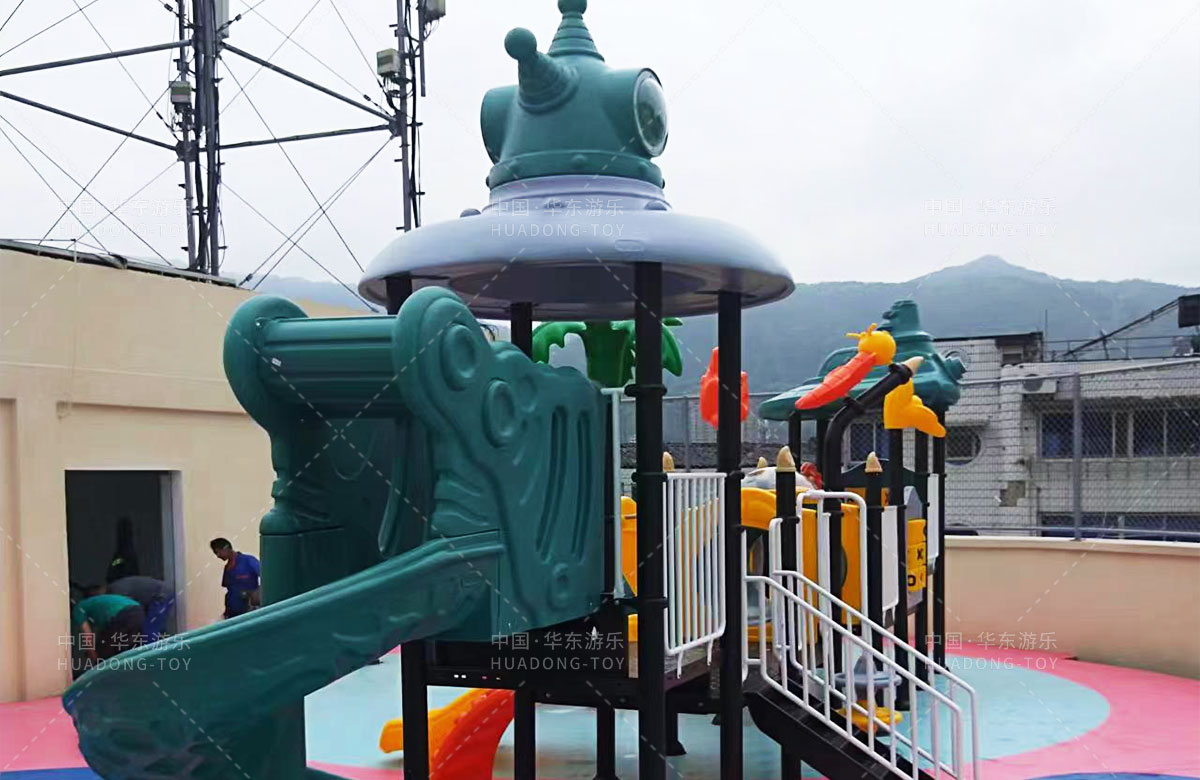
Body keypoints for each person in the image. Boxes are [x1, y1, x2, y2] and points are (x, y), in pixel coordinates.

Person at [72, 588, 145, 663]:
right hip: (138, 612)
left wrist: (92, 653)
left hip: (123, 614)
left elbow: (87, 635)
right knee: (126, 649)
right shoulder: (100, 603)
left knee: (103, 653)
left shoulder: (79, 607)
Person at [107, 575, 174, 642]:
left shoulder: (116, 592)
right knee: (155, 627)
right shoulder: (116, 589)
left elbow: (132, 611)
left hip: (161, 596)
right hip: (159, 595)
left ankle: (153, 647)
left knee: (149, 629)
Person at [210, 538, 261, 618]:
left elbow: (266, 576)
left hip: (249, 613)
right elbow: (229, 591)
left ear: (226, 548)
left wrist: (257, 592)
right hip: (232, 613)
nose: (218, 556)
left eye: (218, 552)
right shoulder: (227, 568)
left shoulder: (248, 561)